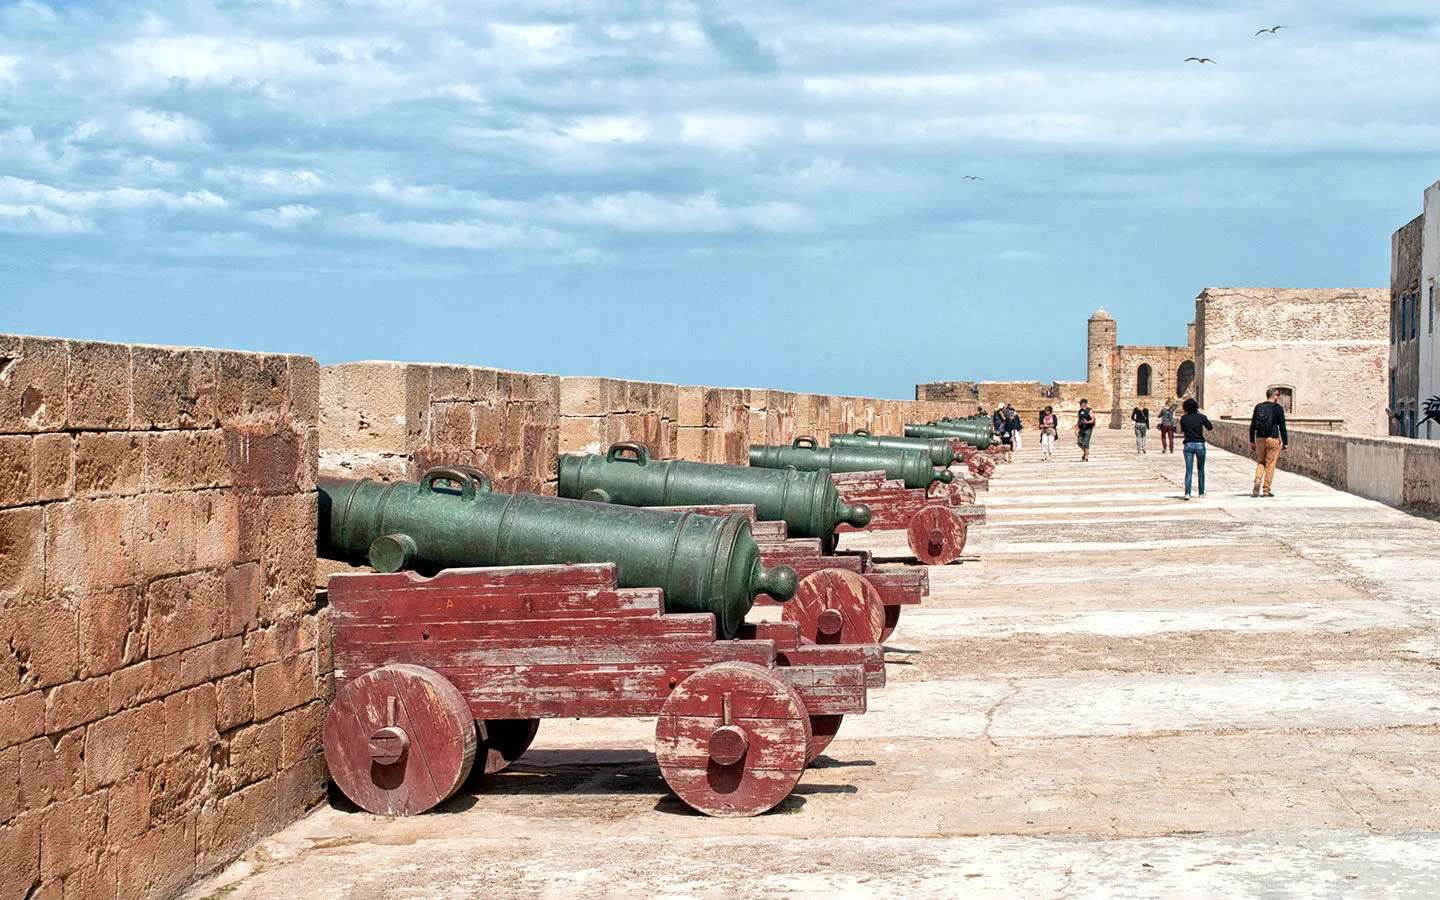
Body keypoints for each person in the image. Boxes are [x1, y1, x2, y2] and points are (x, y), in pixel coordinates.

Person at [1248, 388, 1289, 497]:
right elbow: (1282, 427)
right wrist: (1285, 443)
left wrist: (1252, 441)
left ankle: (1257, 480)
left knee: (1261, 461)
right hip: (1272, 439)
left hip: (1260, 439)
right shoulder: (1277, 408)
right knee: (1270, 464)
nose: (1278, 397)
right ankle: (1266, 490)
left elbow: (1252, 425)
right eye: (1278, 395)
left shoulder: (1258, 407)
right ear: (1274, 395)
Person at [1179, 397, 1213, 500]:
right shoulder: (1201, 417)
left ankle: (1187, 493)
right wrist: (1201, 414)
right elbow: (1210, 427)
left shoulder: (1184, 418)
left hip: (1188, 444)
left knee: (1189, 469)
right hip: (1199, 444)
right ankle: (1201, 492)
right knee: (1201, 469)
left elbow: (1182, 430)